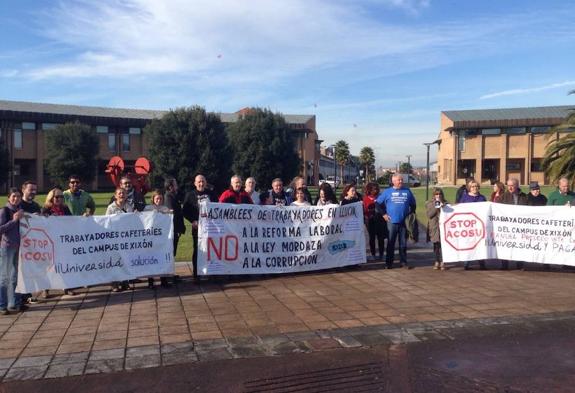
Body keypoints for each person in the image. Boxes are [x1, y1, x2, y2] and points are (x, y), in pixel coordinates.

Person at [376, 173, 416, 269]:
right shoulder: (387, 192)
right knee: (390, 243)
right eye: (399, 180)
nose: (401, 181)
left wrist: (410, 215)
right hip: (392, 222)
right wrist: (384, 214)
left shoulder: (407, 191)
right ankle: (389, 263)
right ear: (393, 181)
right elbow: (377, 204)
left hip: (403, 223)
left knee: (403, 244)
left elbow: (413, 205)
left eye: (401, 180)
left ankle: (403, 262)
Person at [41, 187, 75, 296]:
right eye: (57, 197)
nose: (59, 199)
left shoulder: (65, 209)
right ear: (51, 198)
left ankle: (66, 287)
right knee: (48, 266)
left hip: (63, 241)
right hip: (49, 242)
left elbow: (72, 222)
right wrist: (49, 218)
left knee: (64, 264)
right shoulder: (45, 209)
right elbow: (40, 224)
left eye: (61, 197)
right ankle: (45, 288)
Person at [183, 174, 217, 280]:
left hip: (211, 228)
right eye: (199, 181)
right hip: (197, 228)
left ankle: (212, 272)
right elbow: (185, 211)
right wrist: (192, 221)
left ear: (206, 183)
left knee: (212, 250)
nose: (201, 183)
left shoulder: (212, 194)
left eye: (203, 181)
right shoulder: (190, 195)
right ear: (195, 183)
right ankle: (196, 274)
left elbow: (218, 208)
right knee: (198, 250)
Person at [0, 188, 26, 314]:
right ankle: (2, 305)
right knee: (4, 277)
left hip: (19, 248)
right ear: (9, 197)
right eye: (13, 196)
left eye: (18, 196)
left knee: (15, 277)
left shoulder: (20, 210)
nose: (16, 198)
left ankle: (13, 303)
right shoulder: (4, 210)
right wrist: (14, 220)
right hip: (7, 248)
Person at [144, 189, 172, 288]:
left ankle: (163, 280)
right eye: (157, 198)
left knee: (162, 259)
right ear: (153, 199)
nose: (159, 200)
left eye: (160, 198)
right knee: (151, 259)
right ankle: (150, 281)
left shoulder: (165, 209)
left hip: (162, 239)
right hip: (150, 238)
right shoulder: (147, 208)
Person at [106, 188, 133, 291]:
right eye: (119, 193)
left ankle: (125, 282)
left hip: (125, 238)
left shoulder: (129, 206)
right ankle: (114, 283)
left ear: (126, 195)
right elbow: (106, 222)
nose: (121, 195)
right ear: (115, 195)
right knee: (115, 260)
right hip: (114, 238)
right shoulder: (111, 208)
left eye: (123, 193)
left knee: (125, 260)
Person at [458, 180, 487, 270]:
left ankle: (482, 263)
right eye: (472, 186)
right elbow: (459, 209)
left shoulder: (482, 198)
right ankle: (467, 263)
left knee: (480, 244)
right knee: (468, 243)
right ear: (469, 188)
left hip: (479, 225)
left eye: (476, 186)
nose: (474, 188)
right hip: (468, 226)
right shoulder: (465, 197)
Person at [363, 182, 386, 261]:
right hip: (370, 221)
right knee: (372, 238)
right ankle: (373, 254)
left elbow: (384, 208)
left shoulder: (380, 197)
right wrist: (367, 216)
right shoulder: (365, 198)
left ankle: (381, 254)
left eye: (377, 189)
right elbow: (364, 210)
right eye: (373, 189)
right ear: (369, 190)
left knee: (381, 238)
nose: (375, 191)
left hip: (380, 220)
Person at [426, 188, 447, 270]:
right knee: (436, 245)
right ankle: (436, 260)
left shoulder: (445, 203)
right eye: (436, 194)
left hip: (443, 227)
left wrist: (444, 206)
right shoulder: (429, 203)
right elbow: (429, 215)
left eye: (439, 194)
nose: (438, 196)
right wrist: (436, 206)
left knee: (443, 245)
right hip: (434, 227)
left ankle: (443, 261)